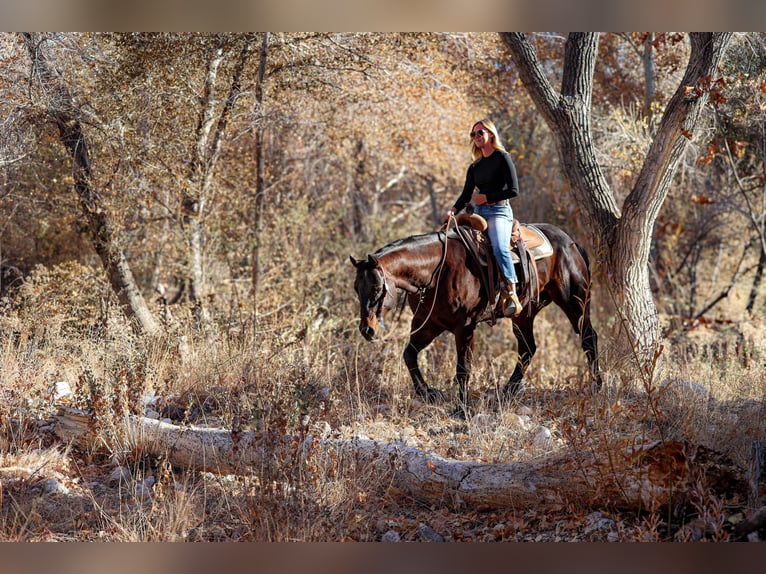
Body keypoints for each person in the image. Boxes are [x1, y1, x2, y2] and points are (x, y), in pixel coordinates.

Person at [444, 118, 522, 317]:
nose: (477, 137)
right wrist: (453, 210)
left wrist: (487, 198)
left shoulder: (502, 158)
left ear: (491, 134)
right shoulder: (475, 167)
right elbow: (466, 194)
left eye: (480, 133)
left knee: (499, 247)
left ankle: (511, 292)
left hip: (499, 212)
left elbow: (514, 190)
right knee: (461, 246)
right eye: (473, 134)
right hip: (478, 213)